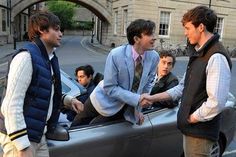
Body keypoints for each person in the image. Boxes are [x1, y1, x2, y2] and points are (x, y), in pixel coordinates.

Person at [142, 6, 232, 157]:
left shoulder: (216, 56)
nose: (185, 33)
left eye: (188, 28)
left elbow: (216, 102)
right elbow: (182, 88)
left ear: (201, 27)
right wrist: (151, 98)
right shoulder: (199, 53)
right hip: (191, 130)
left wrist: (191, 118)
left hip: (200, 133)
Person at [0, 11, 84, 157]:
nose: (61, 34)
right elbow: (11, 105)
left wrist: (67, 100)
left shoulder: (47, 58)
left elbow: (42, 91)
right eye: (56, 29)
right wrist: (22, 145)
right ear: (41, 30)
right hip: (20, 138)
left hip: (38, 135)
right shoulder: (26, 57)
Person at [71, 19, 159, 126]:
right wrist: (137, 99)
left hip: (125, 106)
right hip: (102, 100)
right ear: (136, 39)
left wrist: (138, 109)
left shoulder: (154, 57)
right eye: (149, 34)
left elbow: (148, 84)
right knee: (76, 127)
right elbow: (110, 87)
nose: (154, 37)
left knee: (97, 132)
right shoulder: (116, 54)